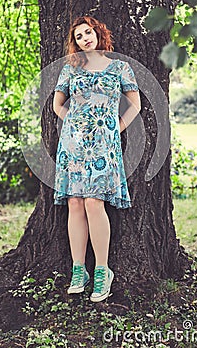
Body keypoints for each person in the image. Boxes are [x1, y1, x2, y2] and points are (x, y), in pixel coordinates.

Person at [53, 16, 141, 302]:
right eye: (78, 36)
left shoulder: (120, 67)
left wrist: (115, 127)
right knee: (74, 203)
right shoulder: (70, 69)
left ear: (98, 33)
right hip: (73, 144)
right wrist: (75, 125)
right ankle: (80, 270)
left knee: (94, 201)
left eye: (88, 33)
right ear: (75, 42)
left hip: (104, 145)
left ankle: (102, 270)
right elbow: (57, 105)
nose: (84, 39)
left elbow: (135, 105)